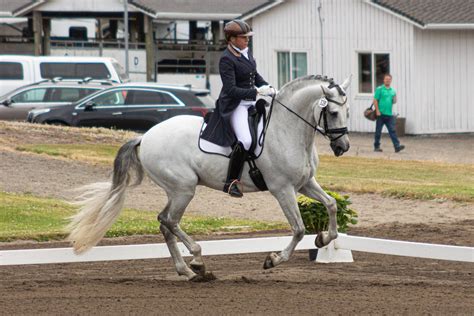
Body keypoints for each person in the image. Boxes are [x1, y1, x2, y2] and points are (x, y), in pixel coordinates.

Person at [200, 20, 275, 197]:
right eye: (243, 38)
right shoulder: (227, 58)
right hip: (236, 105)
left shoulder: (246, 54)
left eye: (247, 37)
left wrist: (269, 87)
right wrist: (256, 92)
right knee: (246, 140)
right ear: (232, 39)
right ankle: (231, 181)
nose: (247, 40)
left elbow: (255, 76)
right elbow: (231, 89)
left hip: (250, 102)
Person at [373, 74, 405, 153]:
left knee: (392, 130)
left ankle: (397, 146)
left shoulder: (393, 91)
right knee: (378, 131)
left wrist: (395, 98)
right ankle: (376, 146)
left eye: (389, 79)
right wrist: (377, 110)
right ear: (383, 80)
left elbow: (393, 101)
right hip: (380, 114)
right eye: (386, 79)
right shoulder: (379, 89)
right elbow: (375, 100)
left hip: (389, 115)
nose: (387, 80)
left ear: (391, 80)